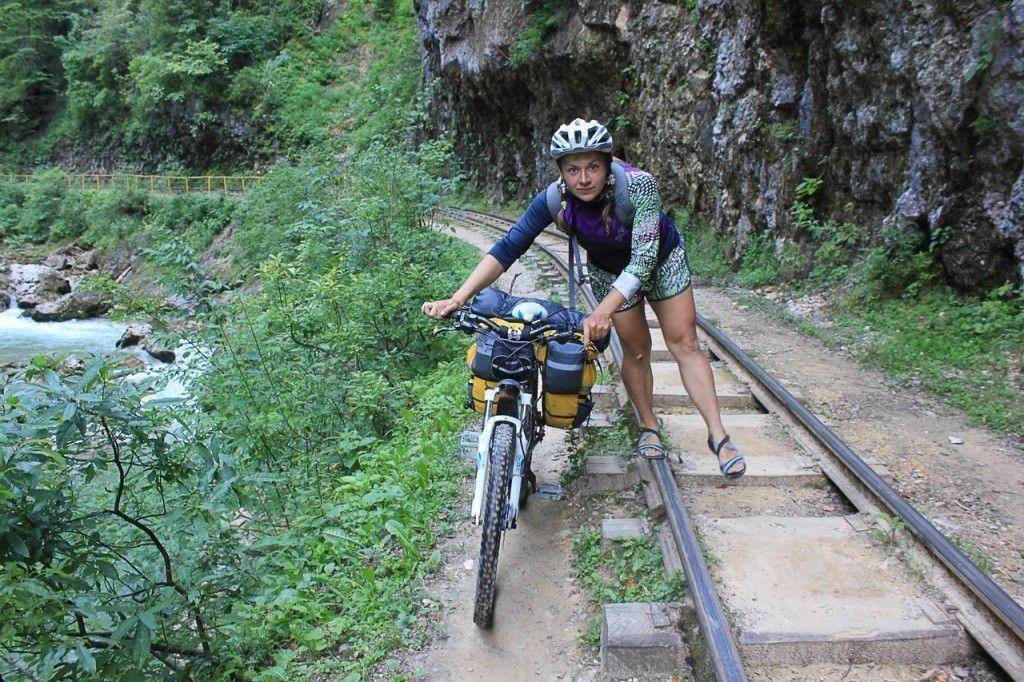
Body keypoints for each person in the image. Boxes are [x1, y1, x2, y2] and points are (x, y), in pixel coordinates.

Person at [422, 118, 746, 480]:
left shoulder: (639, 185)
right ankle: (649, 426)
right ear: (562, 172)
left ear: (608, 163)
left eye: (593, 166)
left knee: (684, 341)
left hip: (660, 261)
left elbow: (642, 261)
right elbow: (509, 247)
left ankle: (719, 436)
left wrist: (600, 311)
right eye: (573, 169)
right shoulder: (554, 199)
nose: (584, 178)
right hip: (610, 270)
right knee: (636, 349)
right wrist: (458, 298)